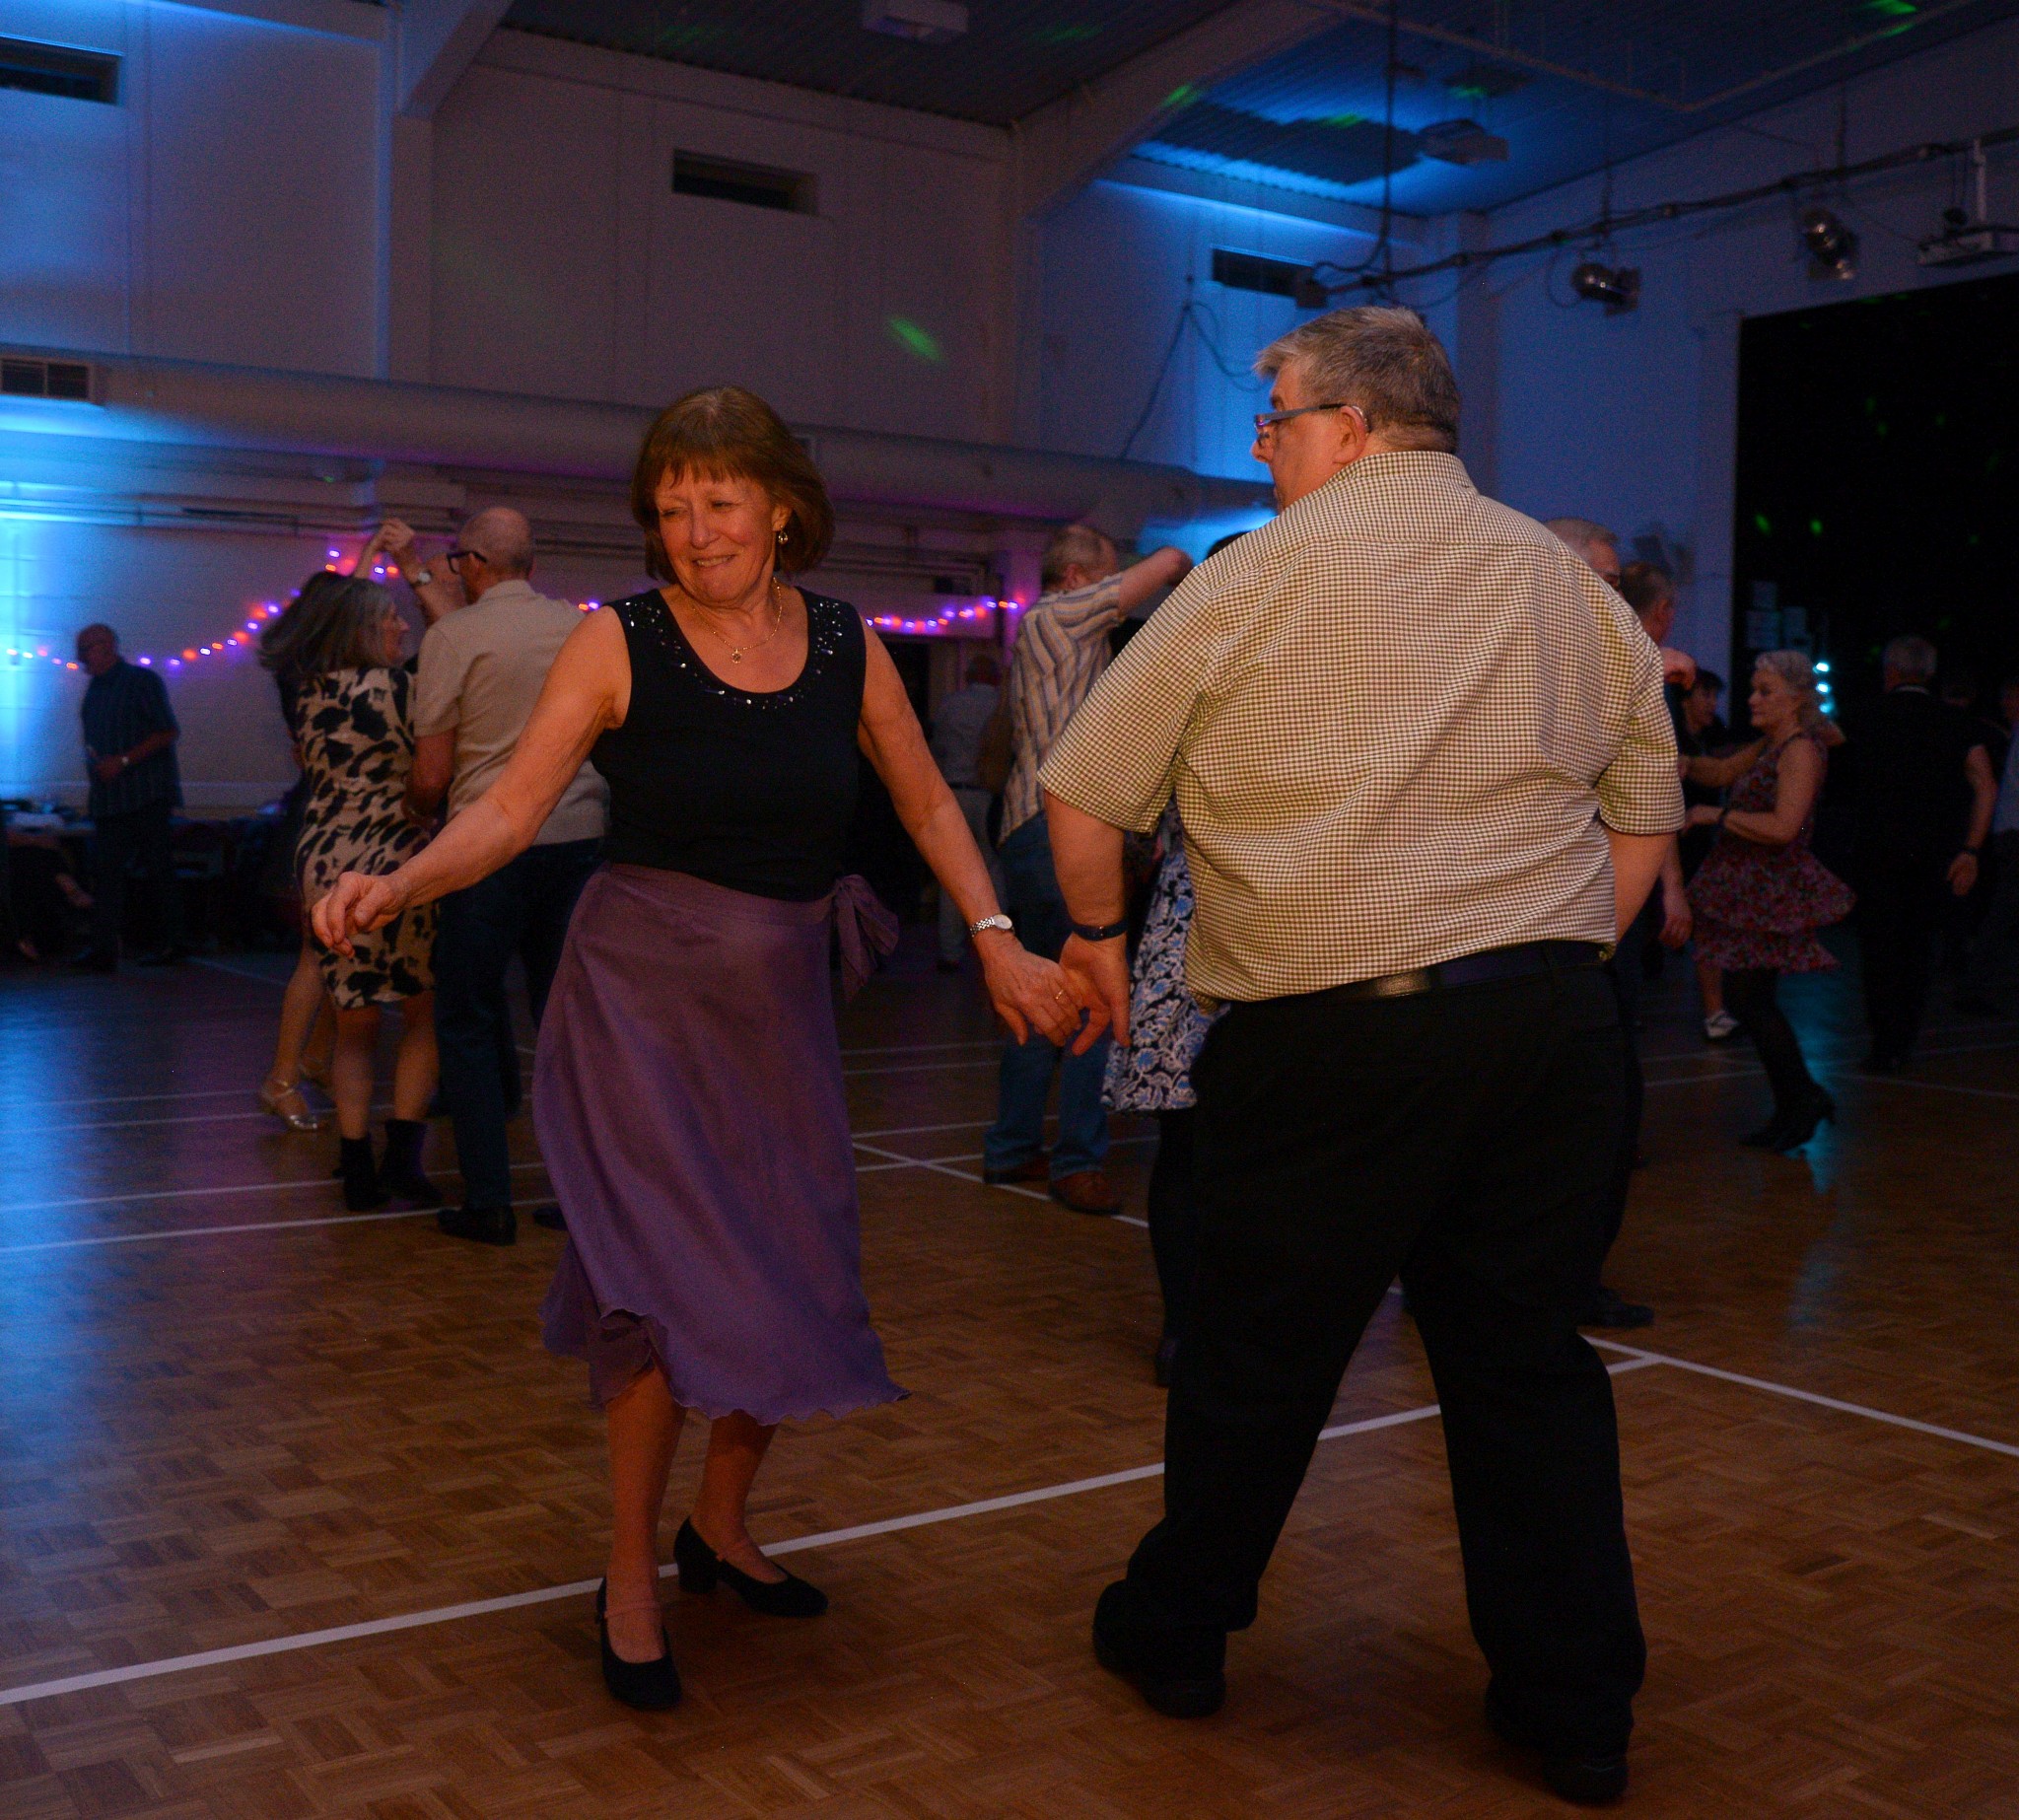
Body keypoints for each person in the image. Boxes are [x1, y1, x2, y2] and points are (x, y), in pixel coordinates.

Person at [313, 385, 1077, 1714]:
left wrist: (1000, 937)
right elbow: (509, 810)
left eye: (719, 501)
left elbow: (924, 805)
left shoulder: (845, 644)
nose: (695, 530)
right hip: (636, 1006)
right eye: (671, 509)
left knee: (784, 1276)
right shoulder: (617, 641)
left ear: (780, 508)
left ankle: (718, 1526)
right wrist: (402, 880)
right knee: (658, 1289)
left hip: (777, 1007)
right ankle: (628, 1571)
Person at [1042, 306, 1680, 1803]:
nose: (1261, 446)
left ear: (1346, 428)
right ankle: (1576, 1712)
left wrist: (1096, 937)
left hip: (1330, 1033)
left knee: (1255, 1361)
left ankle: (1177, 1634)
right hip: (1549, 1030)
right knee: (1526, 1368)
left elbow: (1089, 790)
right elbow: (1642, 815)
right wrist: (1556, 956)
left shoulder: (1255, 571)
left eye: (1272, 421)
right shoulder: (1561, 577)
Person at [400, 507, 610, 1248]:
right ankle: (582, 1203)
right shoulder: (582, 629)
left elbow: (431, 775)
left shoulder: (454, 636)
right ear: (532, 564)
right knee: (568, 1025)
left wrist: (414, 808)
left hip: (488, 846)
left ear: (475, 565)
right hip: (578, 836)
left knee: (466, 1017)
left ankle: (489, 1202)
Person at [983, 524, 1192, 1216]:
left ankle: (1013, 1146)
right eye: (1104, 577)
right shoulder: (1056, 616)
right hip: (1056, 832)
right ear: (1076, 579)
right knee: (1092, 993)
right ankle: (1077, 1162)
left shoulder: (1053, 638)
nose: (1113, 593)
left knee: (1045, 990)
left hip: (1031, 831)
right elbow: (1162, 565)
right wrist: (1184, 564)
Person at [1547, 524, 1686, 1334]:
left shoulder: (1616, 663)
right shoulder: (1526, 656)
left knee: (1602, 1113)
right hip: (1531, 929)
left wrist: (1654, 898)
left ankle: (1572, 1279)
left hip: (1596, 929)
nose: (1614, 594)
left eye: (1615, 581)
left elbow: (1649, 800)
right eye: (1599, 578)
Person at [294, 577, 444, 1211]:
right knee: (421, 1012)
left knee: (353, 1022)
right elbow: (432, 774)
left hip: (326, 861)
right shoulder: (407, 689)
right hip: (396, 861)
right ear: (365, 628)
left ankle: (355, 1163)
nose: (402, 627)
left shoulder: (310, 691)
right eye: (391, 618)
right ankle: (402, 1158)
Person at [1684, 653, 1855, 1148]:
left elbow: (1785, 827)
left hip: (1769, 889)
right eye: (1753, 689)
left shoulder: (1799, 750)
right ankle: (1797, 1102)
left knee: (1750, 999)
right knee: (1749, 999)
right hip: (1752, 885)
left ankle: (1801, 1100)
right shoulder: (1771, 744)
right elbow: (1720, 771)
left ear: (1796, 698)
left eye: (1765, 691)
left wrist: (1713, 816)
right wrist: (1680, 762)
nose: (1752, 699)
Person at [1103, 805, 1218, 1388]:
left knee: (1189, 1145)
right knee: (1186, 1141)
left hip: (1205, 911)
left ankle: (1188, 1333)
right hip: (1203, 917)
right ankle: (1184, 1331)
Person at [1845, 637, 1995, 1073]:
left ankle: (1883, 1043)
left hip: (1877, 852)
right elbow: (1985, 786)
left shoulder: (1866, 716)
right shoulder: (1957, 722)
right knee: (1917, 950)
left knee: (1879, 951)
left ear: (1890, 671)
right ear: (1930, 673)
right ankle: (1904, 1041)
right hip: (1934, 855)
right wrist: (1971, 849)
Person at [71, 624, 185, 972]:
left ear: (107, 646)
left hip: (144, 793)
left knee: (157, 870)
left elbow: (167, 731)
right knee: (106, 874)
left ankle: (171, 943)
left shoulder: (140, 681)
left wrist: (121, 761)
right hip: (111, 797)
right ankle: (104, 948)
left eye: (86, 649)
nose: (81, 657)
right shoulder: (96, 689)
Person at [1676, 671, 1741, 1039]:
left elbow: (1725, 770)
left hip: (1703, 841)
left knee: (1707, 925)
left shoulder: (1716, 732)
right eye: (1706, 695)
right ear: (1685, 699)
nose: (1712, 704)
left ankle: (1715, 1013)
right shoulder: (1671, 732)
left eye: (1715, 696)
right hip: (1669, 838)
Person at [929, 652, 1003, 971]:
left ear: (968, 675)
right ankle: (999, 950)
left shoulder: (950, 705)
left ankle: (950, 952)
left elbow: (937, 749)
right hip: (988, 796)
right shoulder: (1000, 705)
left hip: (953, 796)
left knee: (953, 875)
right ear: (995, 677)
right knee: (993, 872)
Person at [1961, 707, 2019, 1015]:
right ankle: (1974, 986)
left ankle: (1975, 984)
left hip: (2009, 829)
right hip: (2014, 830)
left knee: (2004, 910)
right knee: (2004, 911)